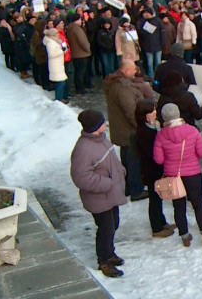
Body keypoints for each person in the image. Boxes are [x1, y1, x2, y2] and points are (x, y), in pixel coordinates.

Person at [70, 110, 127, 278]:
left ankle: (109, 253)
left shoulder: (100, 139)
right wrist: (108, 183)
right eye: (102, 121)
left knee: (113, 223)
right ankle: (104, 261)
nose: (105, 123)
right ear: (96, 126)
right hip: (98, 197)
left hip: (109, 195)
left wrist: (120, 171)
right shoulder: (84, 148)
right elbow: (81, 177)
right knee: (106, 228)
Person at [153, 103, 202, 247]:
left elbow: (159, 159)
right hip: (193, 173)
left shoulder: (161, 135)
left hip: (172, 176)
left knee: (178, 206)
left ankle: (185, 237)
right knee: (198, 204)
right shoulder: (192, 131)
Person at [103, 59, 149, 201]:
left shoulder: (115, 83)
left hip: (122, 131)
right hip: (129, 131)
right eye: (134, 69)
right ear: (127, 70)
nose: (136, 72)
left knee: (128, 161)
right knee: (133, 162)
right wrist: (140, 126)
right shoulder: (122, 88)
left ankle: (129, 187)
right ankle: (136, 190)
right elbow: (130, 111)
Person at [134, 99, 176, 238]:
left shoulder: (149, 128)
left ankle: (161, 221)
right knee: (155, 199)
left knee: (158, 197)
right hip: (151, 170)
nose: (155, 112)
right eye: (152, 110)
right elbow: (152, 152)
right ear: (146, 114)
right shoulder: (144, 132)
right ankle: (157, 228)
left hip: (154, 169)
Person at [43, 26, 69, 102]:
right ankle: (58, 99)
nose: (58, 34)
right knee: (60, 82)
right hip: (55, 65)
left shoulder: (55, 41)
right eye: (56, 33)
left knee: (61, 82)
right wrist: (61, 51)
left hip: (58, 64)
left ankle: (59, 98)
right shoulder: (50, 42)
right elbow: (51, 54)